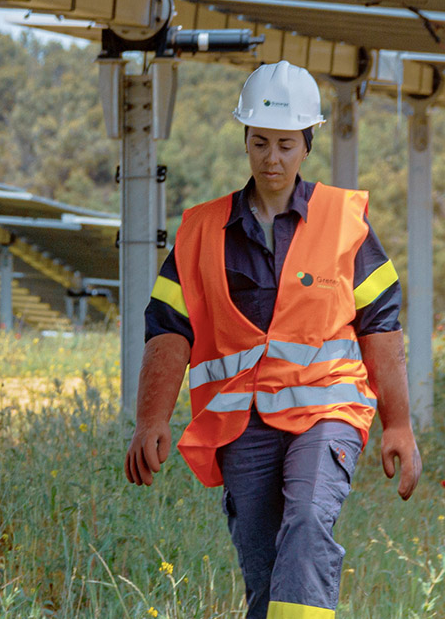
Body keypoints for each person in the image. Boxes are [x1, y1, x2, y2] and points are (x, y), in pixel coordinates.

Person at [123, 60, 421, 619]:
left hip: (327, 410)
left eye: (286, 144)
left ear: (306, 144)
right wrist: (151, 419)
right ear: (245, 141)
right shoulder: (201, 231)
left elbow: (380, 322)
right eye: (260, 143)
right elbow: (169, 329)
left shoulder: (344, 222)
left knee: (307, 520)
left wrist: (398, 423)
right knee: (263, 571)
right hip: (241, 424)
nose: (272, 158)